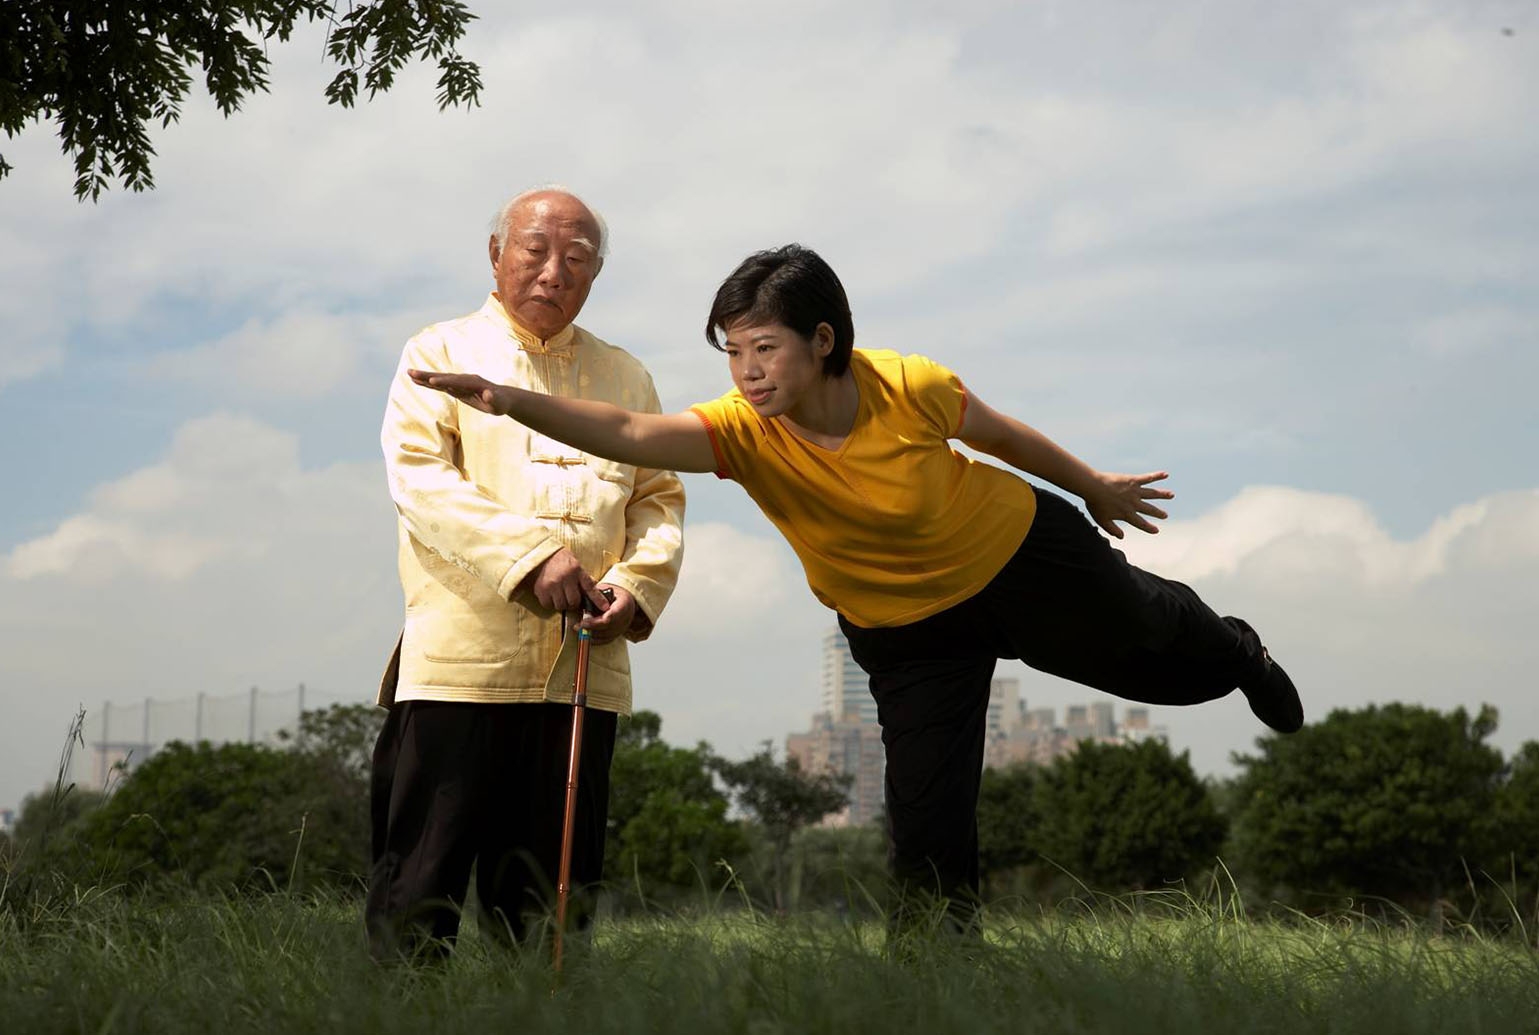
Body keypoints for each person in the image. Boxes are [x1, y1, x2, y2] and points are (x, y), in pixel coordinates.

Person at [408, 243, 1302, 935]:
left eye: (764, 347)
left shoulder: (905, 384)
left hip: (1022, 558)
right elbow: (629, 427)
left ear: (822, 340)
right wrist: (510, 399)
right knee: (925, 819)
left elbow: (1003, 438)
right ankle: (934, 973)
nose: (746, 371)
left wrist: (1092, 486)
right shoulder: (741, 433)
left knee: (1158, 654)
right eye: (731, 353)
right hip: (907, 633)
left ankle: (1237, 646)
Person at [366, 187, 686, 960]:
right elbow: (420, 482)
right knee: (419, 890)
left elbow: (658, 498)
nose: (553, 272)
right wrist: (532, 557)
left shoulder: (626, 375)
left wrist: (634, 589)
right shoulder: (436, 352)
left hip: (582, 666)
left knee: (550, 907)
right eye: (535, 251)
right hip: (457, 670)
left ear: (595, 273)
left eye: (576, 259)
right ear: (495, 255)